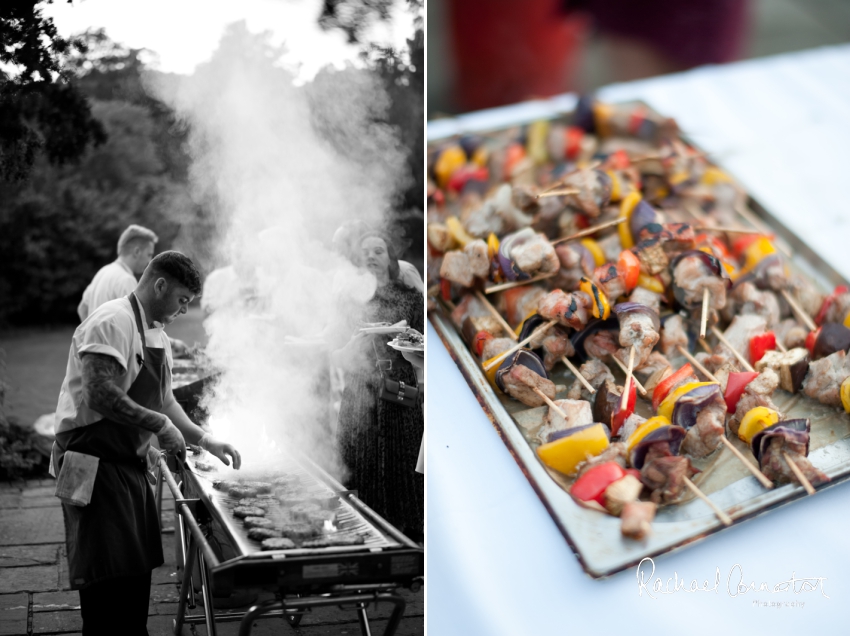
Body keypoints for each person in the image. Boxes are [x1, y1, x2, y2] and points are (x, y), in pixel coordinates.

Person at [52, 251, 241, 636]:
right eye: (183, 300)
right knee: (106, 587)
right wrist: (159, 425)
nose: (184, 311)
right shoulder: (112, 321)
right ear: (159, 285)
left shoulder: (156, 333)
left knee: (134, 579)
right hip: (91, 469)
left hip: (129, 468)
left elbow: (165, 401)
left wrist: (205, 438)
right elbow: (99, 392)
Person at [334, 232, 424, 541]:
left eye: (378, 251)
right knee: (366, 453)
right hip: (362, 384)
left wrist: (412, 343)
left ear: (390, 258)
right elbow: (336, 353)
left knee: (404, 454)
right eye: (365, 252)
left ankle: (409, 530)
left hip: (400, 381)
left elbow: (423, 343)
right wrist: (352, 344)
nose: (371, 256)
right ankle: (367, 527)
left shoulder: (411, 297)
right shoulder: (348, 299)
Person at [77, 225, 158, 322]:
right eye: (149, 254)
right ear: (137, 251)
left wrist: (91, 334)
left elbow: (82, 308)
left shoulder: (103, 271)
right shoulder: (126, 280)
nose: (149, 261)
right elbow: (136, 325)